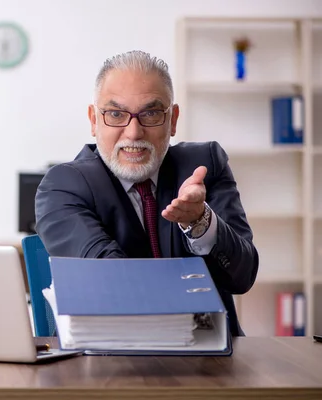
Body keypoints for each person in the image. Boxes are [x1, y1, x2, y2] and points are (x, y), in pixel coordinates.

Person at [34, 50, 258, 337]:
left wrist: (201, 223)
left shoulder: (204, 166)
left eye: (151, 113)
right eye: (115, 114)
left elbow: (243, 276)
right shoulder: (63, 185)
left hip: (213, 363)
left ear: (173, 119)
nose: (133, 133)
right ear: (93, 120)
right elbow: (110, 279)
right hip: (112, 362)